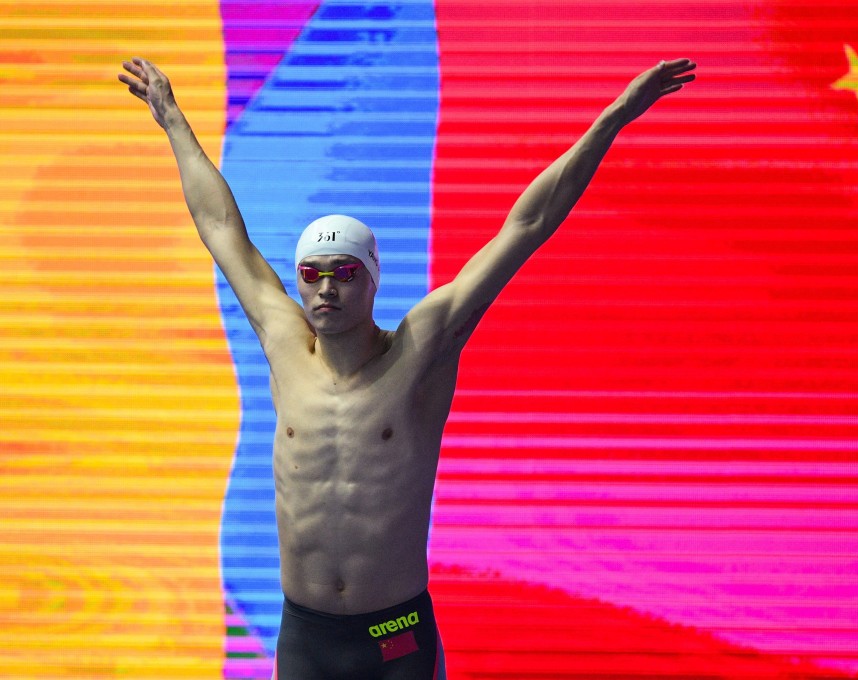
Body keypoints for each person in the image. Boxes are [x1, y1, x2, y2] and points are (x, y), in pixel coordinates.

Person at [119, 54, 696, 680]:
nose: (326, 290)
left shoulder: (421, 349)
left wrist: (613, 119)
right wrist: (173, 120)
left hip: (396, 636)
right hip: (306, 636)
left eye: (345, 274)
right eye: (312, 275)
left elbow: (526, 226)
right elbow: (220, 226)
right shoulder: (281, 339)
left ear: (372, 282)